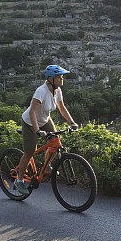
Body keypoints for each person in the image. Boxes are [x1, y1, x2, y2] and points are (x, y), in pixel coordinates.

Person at [15, 64, 78, 195]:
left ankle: (47, 166)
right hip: (30, 123)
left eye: (62, 77)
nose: (62, 79)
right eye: (60, 77)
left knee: (55, 142)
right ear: (51, 79)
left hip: (44, 120)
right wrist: (37, 130)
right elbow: (32, 112)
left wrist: (72, 122)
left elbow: (62, 108)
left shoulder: (58, 91)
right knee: (29, 152)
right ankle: (19, 181)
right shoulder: (41, 91)